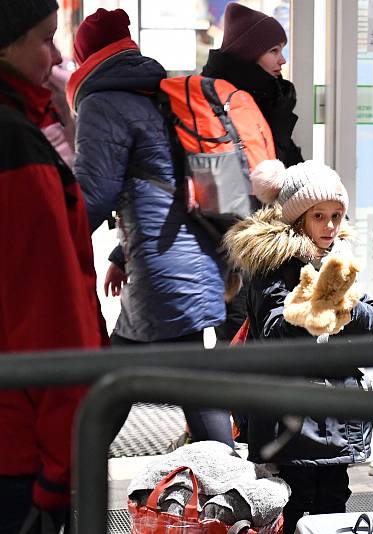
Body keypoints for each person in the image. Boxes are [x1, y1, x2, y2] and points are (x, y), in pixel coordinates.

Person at [67, 8, 233, 447]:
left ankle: (66, 485)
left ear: (84, 56)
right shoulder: (155, 93)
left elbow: (96, 193)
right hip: (193, 258)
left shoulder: (103, 102)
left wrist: (47, 241)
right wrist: (121, 255)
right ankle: (234, 491)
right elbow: (162, 183)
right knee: (190, 386)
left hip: (164, 271)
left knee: (115, 386)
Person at [224, 160, 373, 534]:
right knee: (291, 505)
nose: (330, 226)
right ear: (298, 220)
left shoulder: (339, 261)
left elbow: (372, 320)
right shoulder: (274, 267)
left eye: (337, 215)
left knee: (334, 504)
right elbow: (274, 328)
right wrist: (318, 305)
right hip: (290, 421)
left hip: (335, 416)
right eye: (319, 216)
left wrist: (343, 304)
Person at [0, 1, 106, 531]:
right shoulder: (17, 144)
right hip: (18, 450)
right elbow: (49, 311)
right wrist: (62, 469)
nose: (58, 53)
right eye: (45, 39)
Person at [201, 2, 305, 343]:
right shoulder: (220, 102)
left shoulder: (270, 97)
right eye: (273, 50)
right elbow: (219, 189)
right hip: (236, 247)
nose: (282, 60)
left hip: (271, 241)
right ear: (248, 54)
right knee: (241, 337)